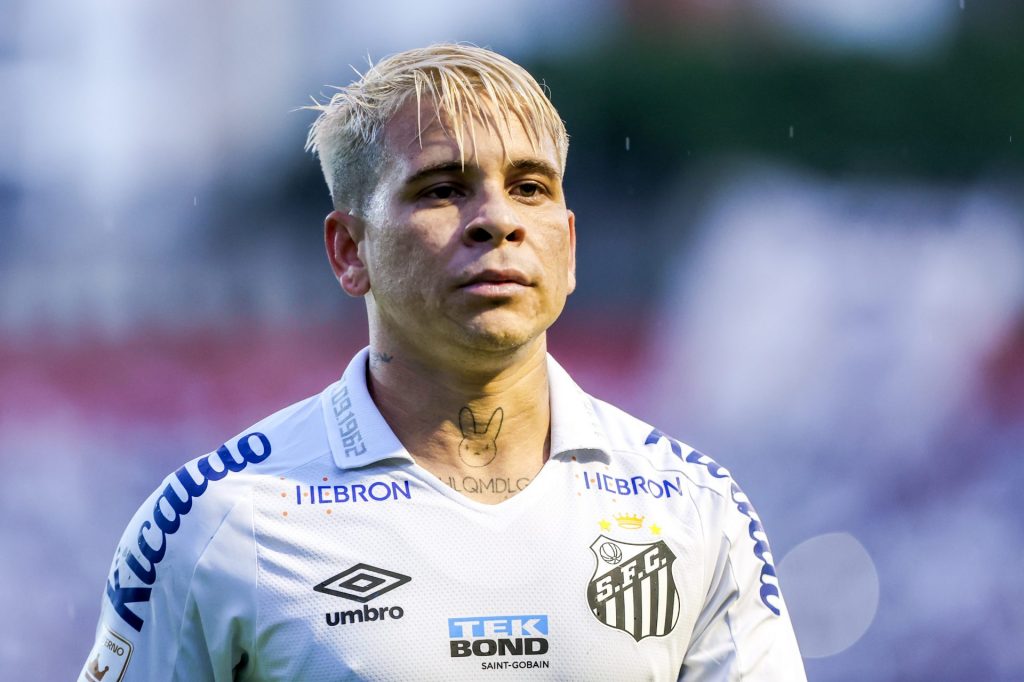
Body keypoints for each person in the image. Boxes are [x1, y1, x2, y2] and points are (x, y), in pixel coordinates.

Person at [80, 43, 806, 681]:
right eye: (443, 189)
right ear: (349, 250)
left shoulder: (692, 506)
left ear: (570, 244)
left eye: (530, 187)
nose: (498, 219)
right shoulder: (218, 520)